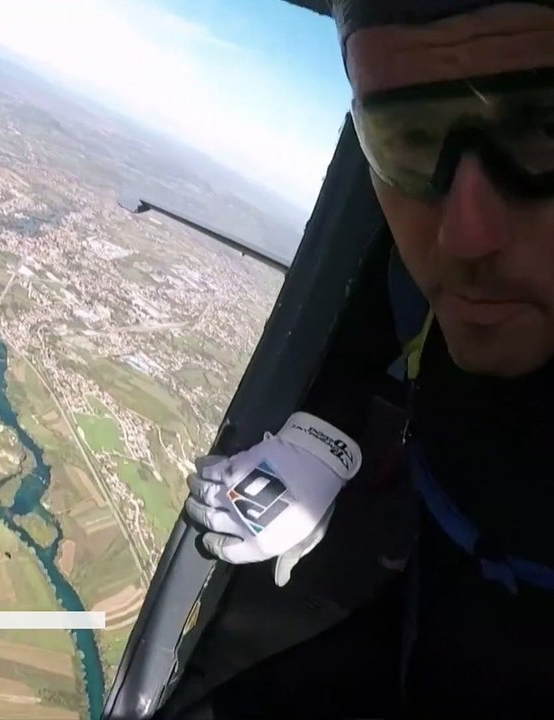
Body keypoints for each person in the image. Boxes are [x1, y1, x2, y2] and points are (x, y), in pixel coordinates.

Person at [183, 0, 554, 717]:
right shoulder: (419, 273)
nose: (464, 235)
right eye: (407, 138)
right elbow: (385, 307)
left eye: (546, 127)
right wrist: (320, 441)